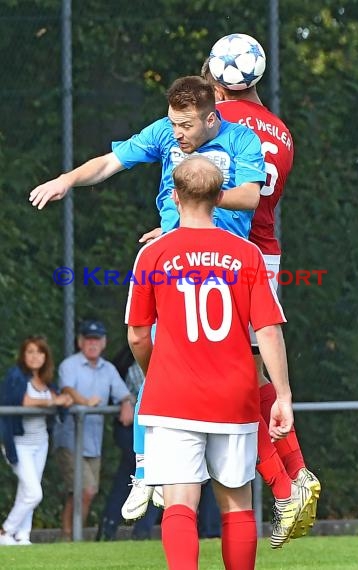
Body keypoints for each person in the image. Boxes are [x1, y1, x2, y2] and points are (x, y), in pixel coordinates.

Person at [29, 76, 267, 522]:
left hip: (228, 266)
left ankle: (273, 473)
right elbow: (108, 163)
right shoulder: (163, 131)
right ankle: (145, 469)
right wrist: (66, 180)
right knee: (153, 358)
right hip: (178, 262)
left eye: (186, 125)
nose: (177, 133)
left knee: (249, 372)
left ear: (212, 117)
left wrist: (196, 207)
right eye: (174, 123)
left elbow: (252, 196)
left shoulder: (242, 140)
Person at [126, 155, 293, 570]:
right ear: (220, 197)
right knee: (236, 502)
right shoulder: (247, 254)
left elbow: (135, 335)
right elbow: (269, 331)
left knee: (180, 501)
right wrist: (283, 396)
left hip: (173, 396)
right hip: (233, 396)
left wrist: (155, 372)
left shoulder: (154, 255)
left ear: (174, 197)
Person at [200, 43, 321, 543]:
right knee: (246, 375)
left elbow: (199, 181)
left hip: (226, 252)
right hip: (266, 254)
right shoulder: (282, 131)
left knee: (226, 384)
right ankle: (295, 472)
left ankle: (284, 485)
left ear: (217, 77)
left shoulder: (213, 120)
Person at [53, 319, 134, 540]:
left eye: (96, 339)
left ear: (104, 342)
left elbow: (123, 392)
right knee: (86, 490)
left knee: (82, 492)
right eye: (88, 339)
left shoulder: (108, 369)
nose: (92, 344)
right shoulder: (69, 365)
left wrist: (126, 402)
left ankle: (68, 537)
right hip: (70, 440)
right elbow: (67, 388)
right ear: (80, 342)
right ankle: (72, 536)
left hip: (93, 443)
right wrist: (85, 402)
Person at [0, 336, 72, 546]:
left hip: (40, 442)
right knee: (34, 493)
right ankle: (6, 531)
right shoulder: (16, 375)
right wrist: (53, 401)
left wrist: (64, 399)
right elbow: (22, 400)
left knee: (27, 490)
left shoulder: (46, 380)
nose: (34, 356)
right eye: (30, 351)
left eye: (39, 352)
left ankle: (23, 536)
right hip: (18, 442)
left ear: (45, 356)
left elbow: (58, 399)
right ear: (23, 355)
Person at [96, 345, 161, 541]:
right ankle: (110, 530)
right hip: (139, 430)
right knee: (134, 479)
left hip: (157, 430)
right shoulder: (136, 367)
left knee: (156, 481)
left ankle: (139, 531)